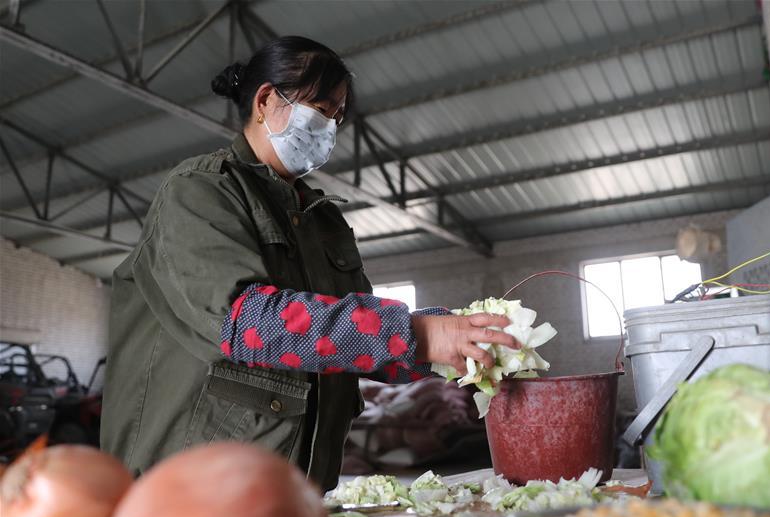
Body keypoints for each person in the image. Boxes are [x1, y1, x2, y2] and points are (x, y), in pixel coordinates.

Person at [101, 36, 519, 490]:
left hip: (292, 487)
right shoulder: (199, 192)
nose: (331, 128)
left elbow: (354, 343)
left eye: (337, 117)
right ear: (266, 101)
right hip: (194, 486)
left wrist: (453, 343)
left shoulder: (321, 220)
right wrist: (414, 335)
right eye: (322, 109)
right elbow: (247, 322)